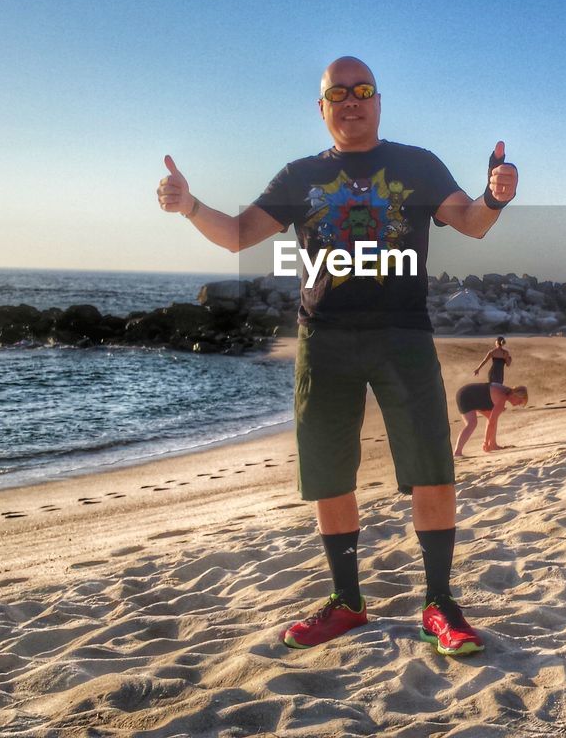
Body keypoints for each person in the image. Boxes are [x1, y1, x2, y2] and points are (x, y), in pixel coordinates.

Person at [156, 56, 518, 658]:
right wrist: (190, 206)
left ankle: (440, 603)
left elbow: (471, 224)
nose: (352, 101)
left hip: (402, 335)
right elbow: (240, 234)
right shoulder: (300, 176)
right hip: (324, 337)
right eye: (338, 93)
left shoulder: (417, 164)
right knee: (329, 470)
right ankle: (347, 602)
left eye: (363, 90)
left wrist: (494, 196)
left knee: (430, 465)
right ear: (321, 107)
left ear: (379, 101)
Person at [453, 382, 528, 456]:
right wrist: (485, 442)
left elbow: (492, 421)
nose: (519, 404)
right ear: (515, 395)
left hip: (475, 396)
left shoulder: (506, 392)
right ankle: (457, 452)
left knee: (491, 417)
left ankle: (492, 445)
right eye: (520, 401)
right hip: (466, 395)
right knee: (472, 423)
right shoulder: (502, 397)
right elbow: (491, 423)